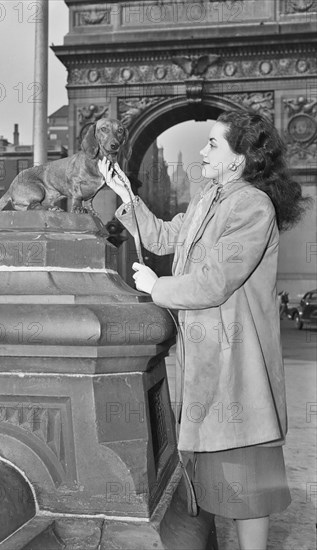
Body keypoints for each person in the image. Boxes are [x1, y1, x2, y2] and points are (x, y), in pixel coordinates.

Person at [99, 110, 311, 550]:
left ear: (238, 159)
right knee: (217, 484)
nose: (202, 150)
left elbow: (216, 281)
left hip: (239, 370)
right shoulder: (205, 199)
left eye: (213, 144)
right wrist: (126, 196)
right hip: (208, 367)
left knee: (246, 485)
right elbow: (160, 237)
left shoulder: (252, 205)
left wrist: (159, 286)